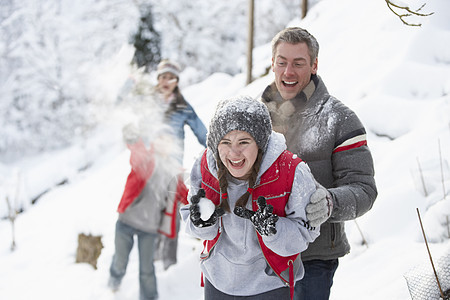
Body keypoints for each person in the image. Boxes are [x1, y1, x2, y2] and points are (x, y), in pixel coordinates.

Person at [260, 27, 378, 300]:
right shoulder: (256, 117)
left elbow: (364, 189)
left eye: (298, 63)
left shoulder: (340, 120)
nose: (288, 72)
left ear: (314, 65)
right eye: (282, 62)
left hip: (311, 258)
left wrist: (330, 203)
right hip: (259, 254)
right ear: (273, 64)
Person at [180, 96, 321, 300]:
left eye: (244, 142)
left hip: (269, 286)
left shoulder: (291, 171)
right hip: (218, 282)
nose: (234, 152)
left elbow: (306, 233)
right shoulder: (205, 166)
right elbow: (190, 218)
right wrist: (201, 223)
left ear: (260, 143)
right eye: (225, 142)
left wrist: (273, 230)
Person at [108, 117, 186, 300]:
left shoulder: (175, 171)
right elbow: (137, 151)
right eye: (160, 138)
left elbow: (186, 196)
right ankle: (113, 284)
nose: (163, 143)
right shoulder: (146, 158)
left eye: (168, 141)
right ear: (155, 140)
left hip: (149, 229)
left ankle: (149, 297)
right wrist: (133, 138)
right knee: (120, 261)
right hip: (127, 220)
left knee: (147, 269)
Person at [153, 59, 208, 270]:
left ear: (177, 81)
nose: (167, 81)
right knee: (149, 214)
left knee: (170, 213)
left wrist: (218, 146)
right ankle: (152, 259)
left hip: (172, 169)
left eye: (171, 78)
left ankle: (168, 263)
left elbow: (202, 133)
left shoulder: (182, 106)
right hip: (149, 168)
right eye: (163, 77)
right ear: (158, 80)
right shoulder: (148, 103)